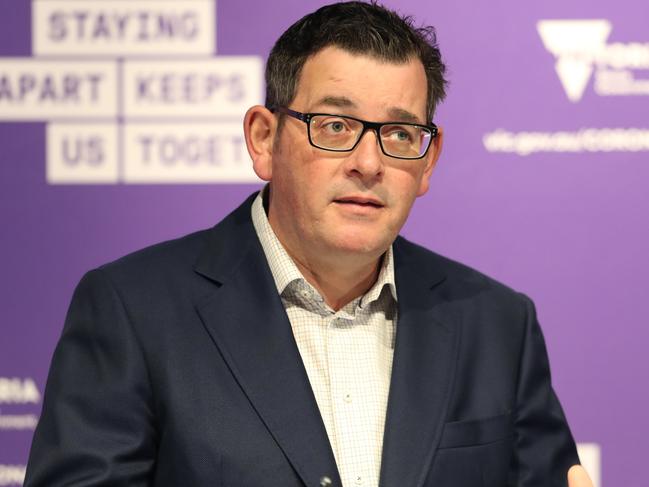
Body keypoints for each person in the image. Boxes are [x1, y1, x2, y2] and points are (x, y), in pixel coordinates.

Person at [25, 2, 594, 486]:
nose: (369, 163)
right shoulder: (134, 309)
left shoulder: (496, 322)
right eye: (335, 126)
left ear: (428, 161)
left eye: (399, 134)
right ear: (264, 139)